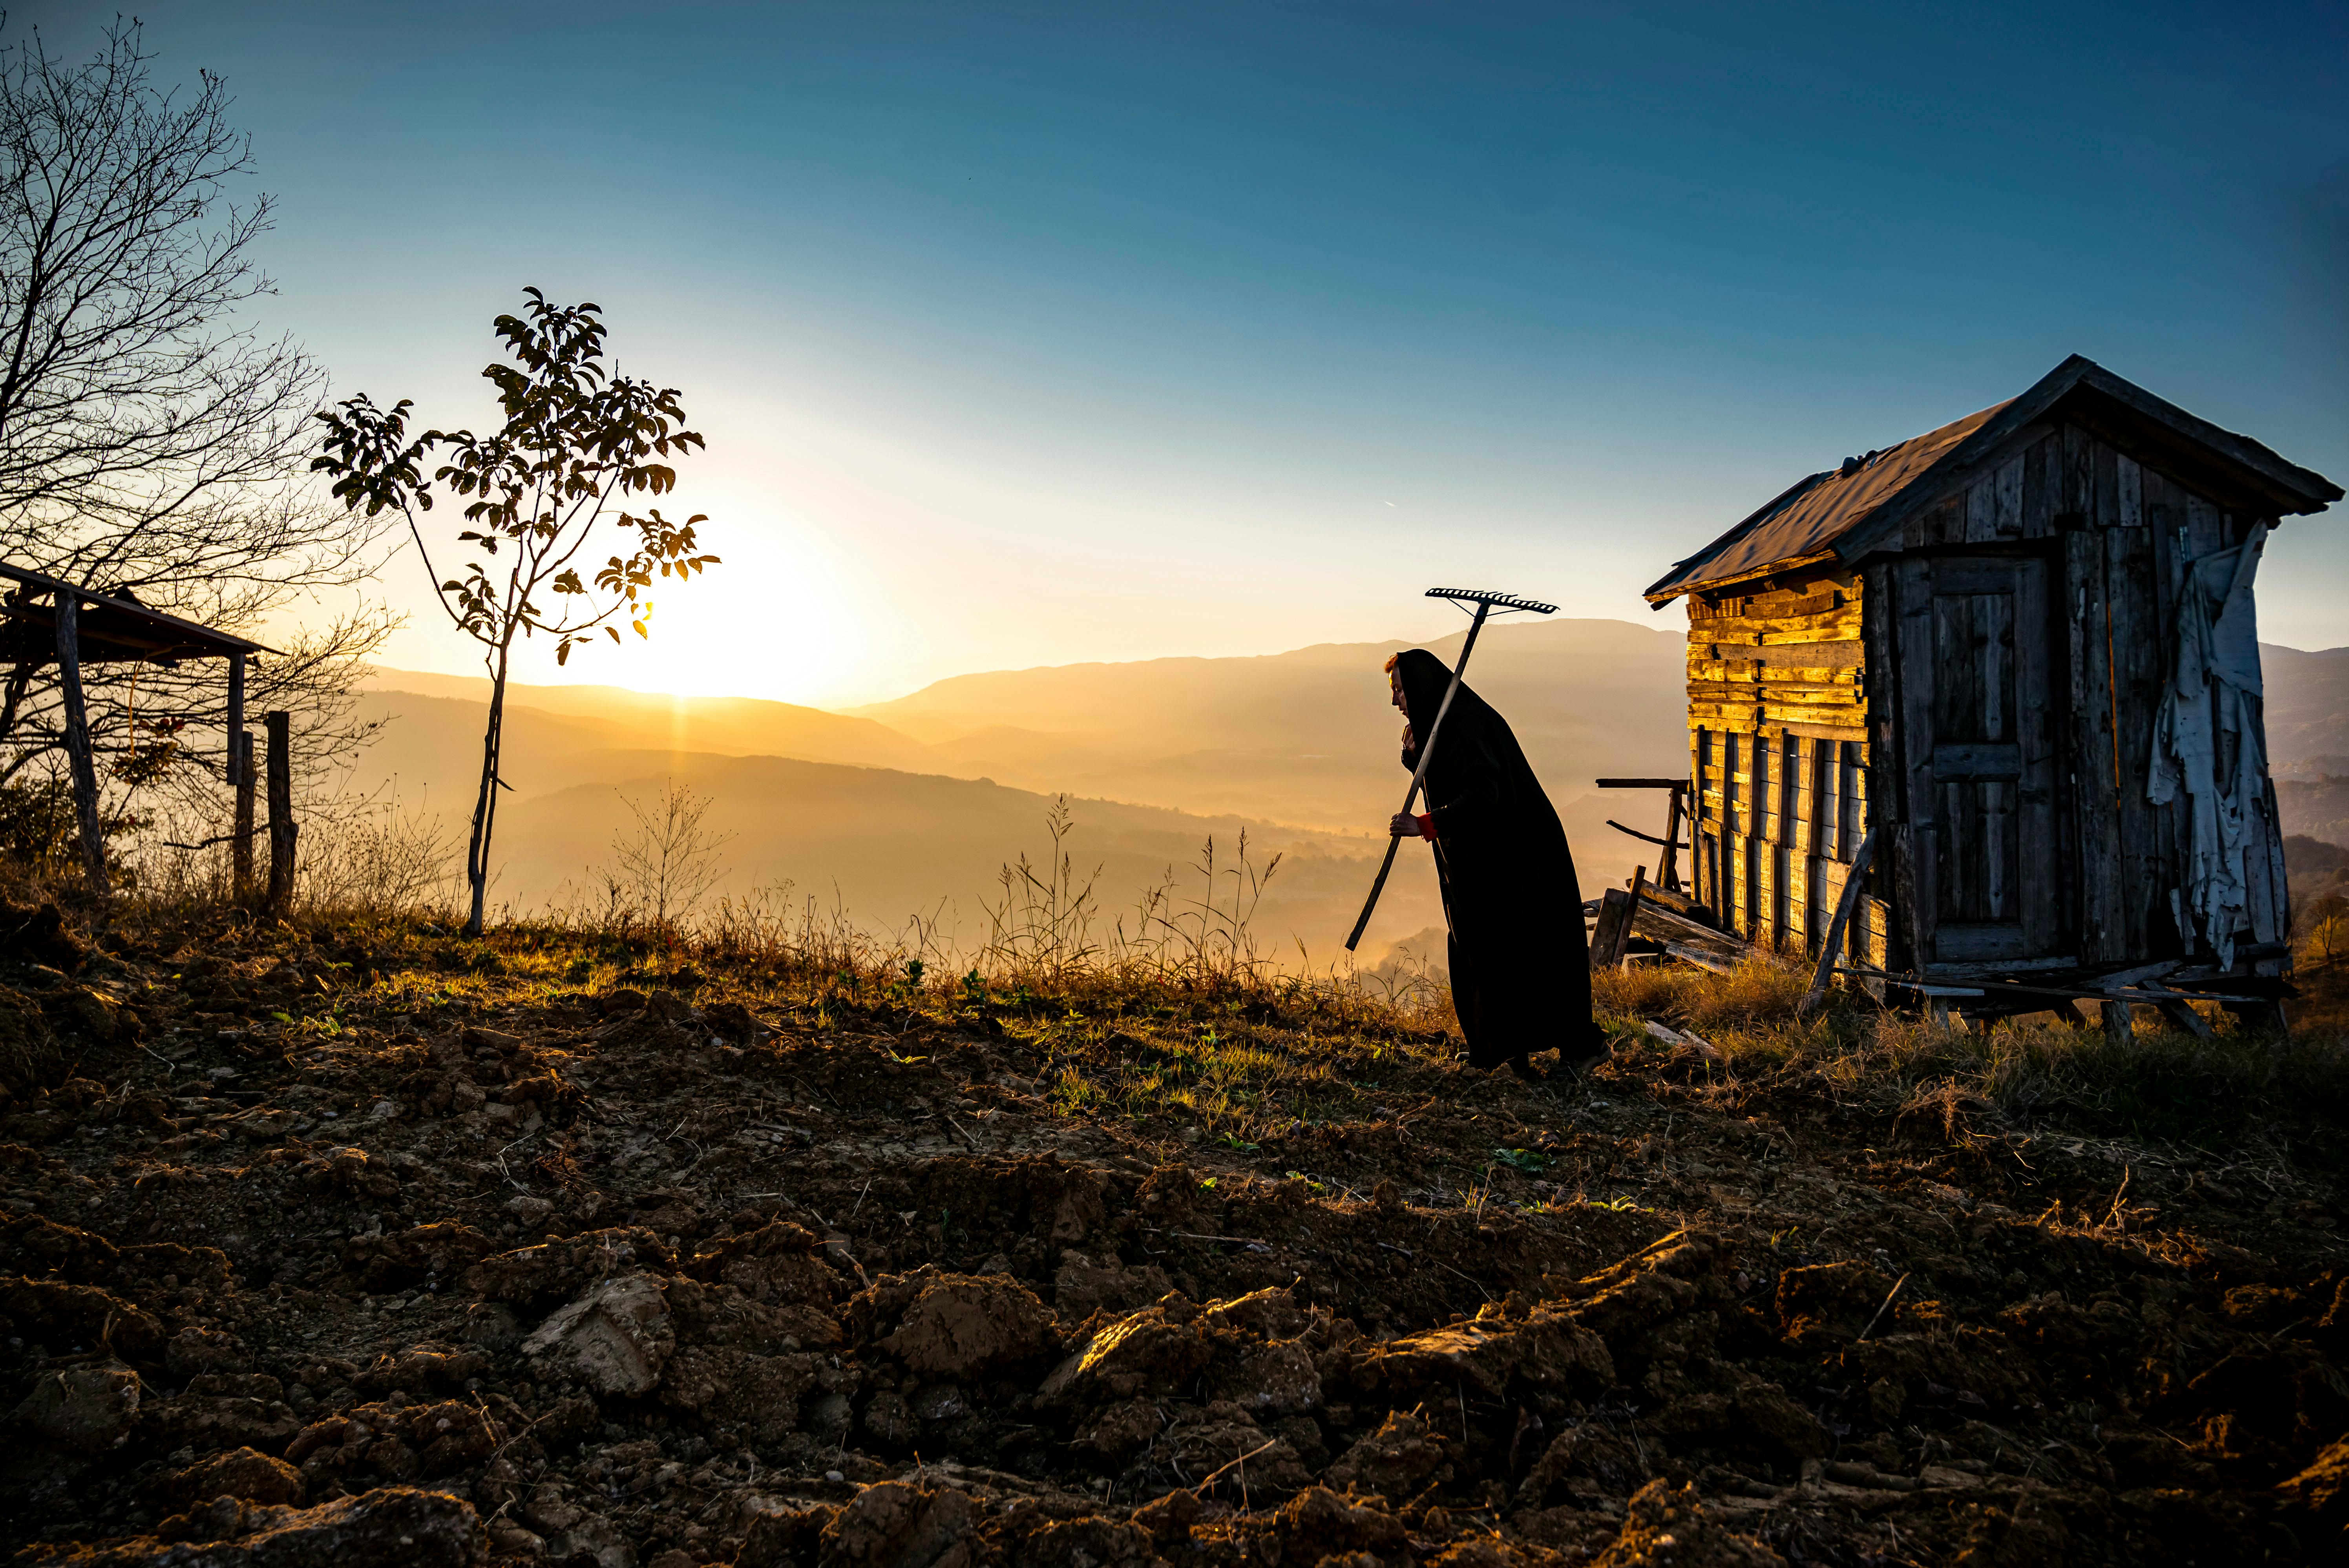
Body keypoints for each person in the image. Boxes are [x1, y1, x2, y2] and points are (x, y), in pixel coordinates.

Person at [1385, 648, 1606, 1079]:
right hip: (1491, 862)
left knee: (1529, 949)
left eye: (1399, 690)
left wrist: (1425, 823)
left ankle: (1580, 1048)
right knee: (1488, 948)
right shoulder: (1441, 727)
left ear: (1421, 687)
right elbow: (1452, 778)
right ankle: (1500, 1049)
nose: (1395, 701)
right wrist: (1415, 758)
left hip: (1521, 858)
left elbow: (1483, 796)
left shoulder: (1464, 723)